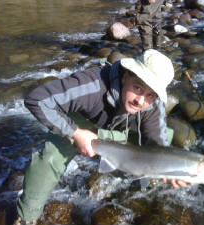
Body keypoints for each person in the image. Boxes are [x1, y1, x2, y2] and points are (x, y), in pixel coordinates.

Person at [14, 49, 187, 225]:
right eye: (137, 88)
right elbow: (37, 99)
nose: (140, 101)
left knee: (164, 138)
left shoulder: (152, 105)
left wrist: (168, 167)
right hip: (82, 122)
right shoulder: (92, 84)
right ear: (125, 76)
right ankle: (27, 217)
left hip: (121, 128)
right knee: (50, 158)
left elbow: (158, 146)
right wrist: (75, 132)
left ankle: (137, 189)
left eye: (150, 95)